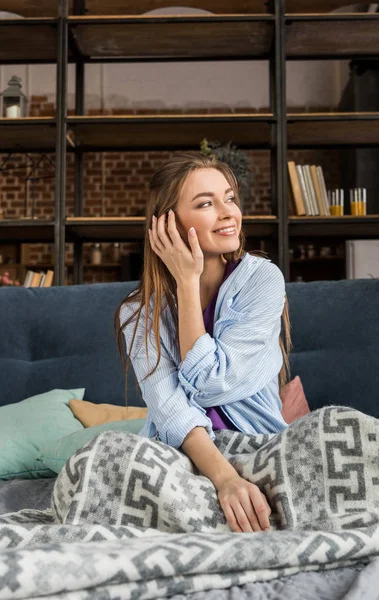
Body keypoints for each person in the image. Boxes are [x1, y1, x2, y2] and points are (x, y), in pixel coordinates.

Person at [115, 151, 292, 535]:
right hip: (181, 456)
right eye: (206, 203)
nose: (228, 212)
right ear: (167, 224)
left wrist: (187, 286)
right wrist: (225, 480)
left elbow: (212, 383)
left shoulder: (263, 281)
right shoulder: (138, 313)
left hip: (259, 446)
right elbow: (171, 407)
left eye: (229, 198)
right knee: (102, 457)